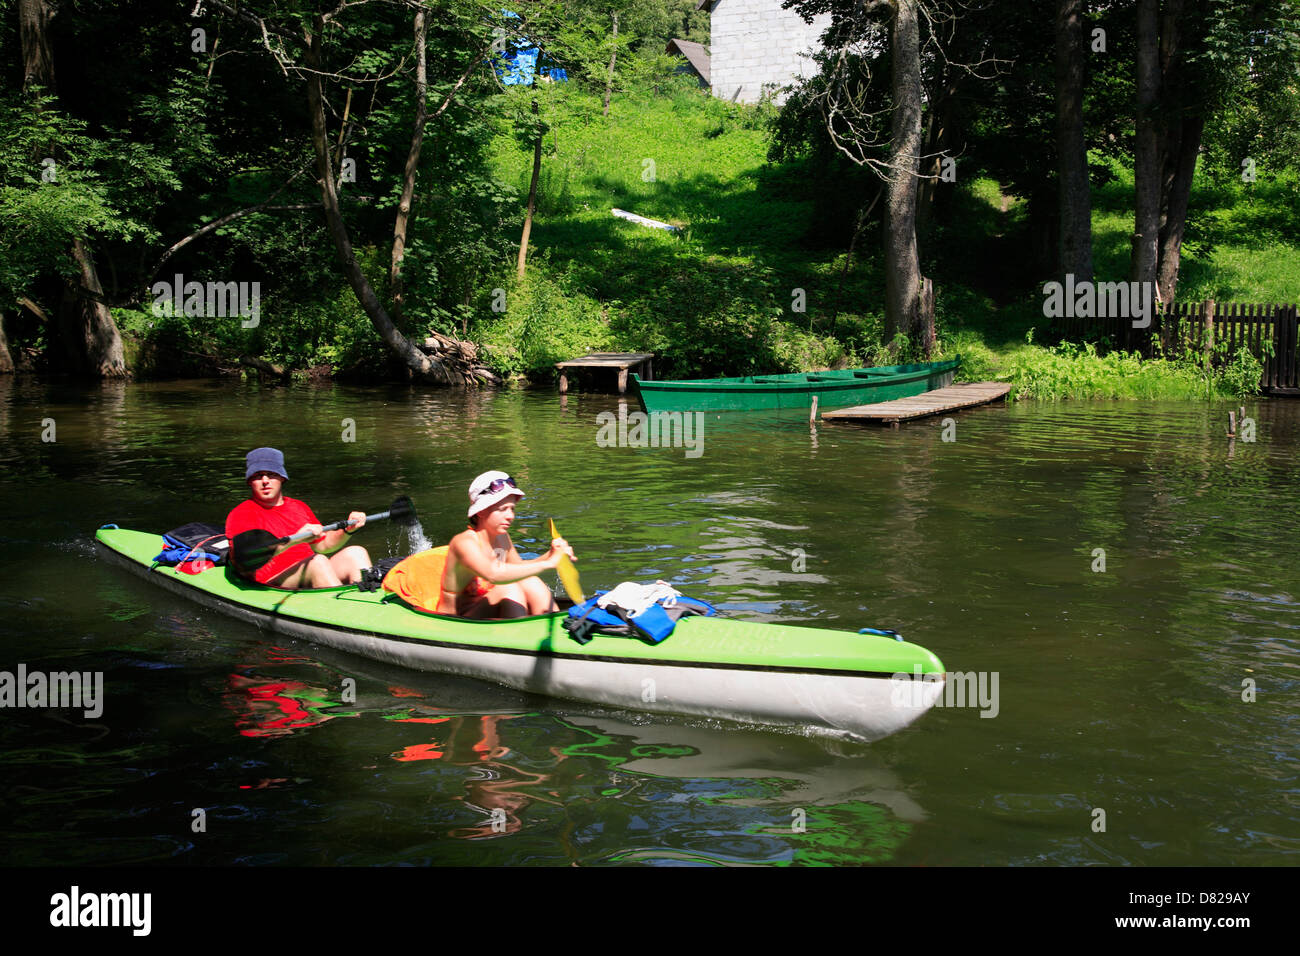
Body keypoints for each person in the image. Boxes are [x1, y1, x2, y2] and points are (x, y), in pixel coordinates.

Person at [225, 447, 372, 589]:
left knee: (356, 552)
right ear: (250, 481)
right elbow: (243, 562)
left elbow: (323, 545)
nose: (265, 481)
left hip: (308, 572)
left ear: (282, 478)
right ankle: (343, 610)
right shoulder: (241, 514)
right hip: (271, 584)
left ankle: (368, 599)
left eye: (271, 474)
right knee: (318, 562)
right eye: (257, 476)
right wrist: (295, 539)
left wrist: (347, 530)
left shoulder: (298, 506)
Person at [439, 471, 575, 618]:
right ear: (481, 512)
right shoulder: (464, 542)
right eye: (502, 509)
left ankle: (554, 623)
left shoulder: (502, 536)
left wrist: (552, 555)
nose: (510, 516)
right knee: (509, 588)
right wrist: (548, 564)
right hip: (458, 619)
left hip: (486, 609)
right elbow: (494, 574)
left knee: (530, 581)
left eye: (512, 509)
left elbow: (519, 569)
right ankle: (519, 635)